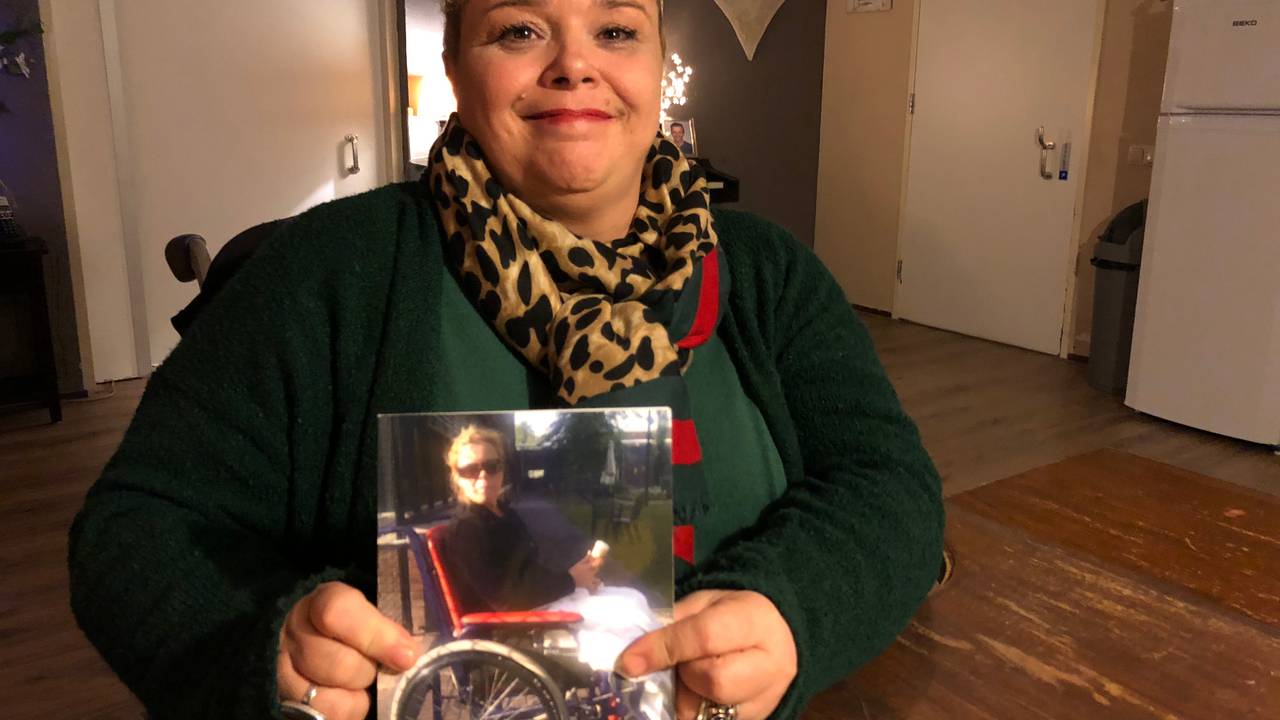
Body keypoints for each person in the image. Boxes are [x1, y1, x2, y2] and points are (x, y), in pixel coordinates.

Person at [67, 2, 945, 720]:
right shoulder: (329, 272)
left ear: (658, 60)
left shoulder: (767, 270)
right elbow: (135, 529)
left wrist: (793, 609)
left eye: (617, 29)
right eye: (520, 30)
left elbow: (890, 485)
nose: (574, 65)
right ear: (455, 65)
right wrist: (269, 652)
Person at [436, 424, 602, 612]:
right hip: (512, 627)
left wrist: (576, 574)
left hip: (540, 604)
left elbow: (529, 572)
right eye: (470, 469)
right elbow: (506, 601)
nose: (483, 475)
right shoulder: (467, 530)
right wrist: (571, 580)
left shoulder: (505, 514)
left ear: (502, 470)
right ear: (457, 477)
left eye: (492, 466)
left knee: (632, 600)